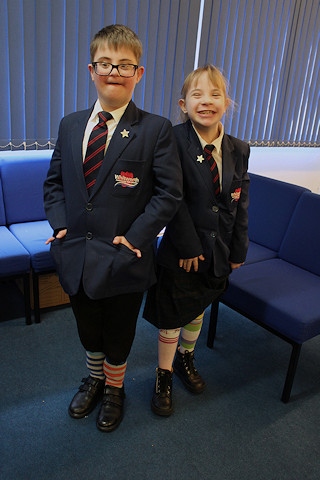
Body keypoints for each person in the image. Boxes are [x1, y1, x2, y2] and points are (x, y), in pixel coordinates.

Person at [43, 24, 182, 432]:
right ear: (91, 70)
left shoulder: (154, 129)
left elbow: (168, 195)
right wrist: (61, 224)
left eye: (125, 65)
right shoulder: (70, 124)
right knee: (88, 326)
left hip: (125, 254)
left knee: (119, 330)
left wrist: (136, 236)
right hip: (77, 253)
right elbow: (54, 183)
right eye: (106, 63)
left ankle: (115, 388)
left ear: (139, 74)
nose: (114, 72)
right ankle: (95, 378)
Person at [144, 64, 250, 416]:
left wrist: (238, 249)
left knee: (198, 307)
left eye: (215, 94)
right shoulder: (172, 140)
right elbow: (170, 198)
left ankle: (186, 358)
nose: (207, 101)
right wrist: (188, 246)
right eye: (197, 95)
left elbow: (240, 202)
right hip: (182, 249)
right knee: (174, 312)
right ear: (183, 104)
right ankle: (164, 373)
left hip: (218, 250)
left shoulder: (239, 149)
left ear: (228, 102)